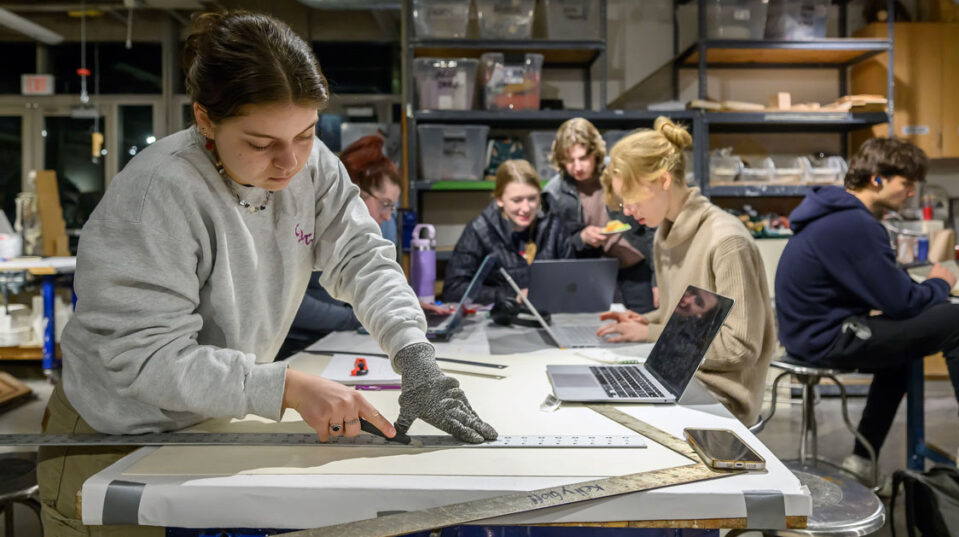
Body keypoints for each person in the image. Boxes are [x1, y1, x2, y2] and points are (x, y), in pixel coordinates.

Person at [37, 12, 497, 536]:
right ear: (205, 120)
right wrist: (286, 388)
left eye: (304, 133)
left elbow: (363, 258)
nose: (290, 162)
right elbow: (145, 359)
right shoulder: (158, 193)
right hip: (115, 437)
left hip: (212, 421)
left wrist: (416, 358)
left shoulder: (313, 165)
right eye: (260, 144)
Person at [774, 136, 959, 486]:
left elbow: (883, 280)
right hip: (826, 340)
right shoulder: (855, 224)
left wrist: (937, 277)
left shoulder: (837, 216)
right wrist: (942, 284)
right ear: (877, 178)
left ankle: (862, 459)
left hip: (810, 336)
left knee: (901, 352)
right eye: (905, 184)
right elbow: (901, 302)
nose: (911, 193)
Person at [594, 117, 774, 427]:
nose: (626, 211)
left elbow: (740, 348)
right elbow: (690, 318)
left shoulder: (726, 241)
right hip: (677, 376)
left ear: (664, 181)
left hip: (721, 397)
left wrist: (651, 333)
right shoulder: (664, 235)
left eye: (632, 199)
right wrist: (648, 319)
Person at [277, 135, 450, 359]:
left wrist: (399, 309)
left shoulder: (362, 238)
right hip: (300, 350)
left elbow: (368, 275)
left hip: (332, 342)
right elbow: (295, 306)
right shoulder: (304, 225)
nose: (388, 216)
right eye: (385, 204)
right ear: (356, 193)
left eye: (392, 208)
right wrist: (362, 317)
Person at [543, 118, 658, 313]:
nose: (577, 167)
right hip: (594, 276)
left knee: (644, 331)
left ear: (596, 154)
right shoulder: (554, 193)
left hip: (637, 271)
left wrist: (659, 279)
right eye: (570, 160)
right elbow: (555, 247)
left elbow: (653, 229)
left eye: (583, 158)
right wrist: (581, 238)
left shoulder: (619, 175)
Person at [442, 159, 571, 305]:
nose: (526, 208)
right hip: (499, 319)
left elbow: (573, 283)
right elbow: (453, 289)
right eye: (517, 200)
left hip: (550, 315)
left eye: (532, 198)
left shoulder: (554, 228)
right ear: (500, 199)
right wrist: (507, 295)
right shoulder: (480, 230)